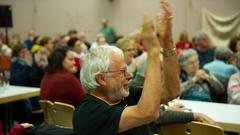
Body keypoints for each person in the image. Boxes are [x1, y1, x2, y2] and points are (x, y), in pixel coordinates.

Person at [73, 0, 180, 134]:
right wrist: (152, 50)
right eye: (123, 71)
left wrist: (167, 41)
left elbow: (172, 91)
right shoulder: (88, 113)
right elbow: (148, 112)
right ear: (102, 79)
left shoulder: (122, 95)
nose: (129, 76)